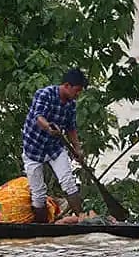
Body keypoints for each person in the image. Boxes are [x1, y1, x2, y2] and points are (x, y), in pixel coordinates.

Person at [21, 68, 88, 223]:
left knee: (68, 182)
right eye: (77, 90)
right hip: (33, 149)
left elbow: (71, 128)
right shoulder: (45, 94)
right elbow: (39, 117)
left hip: (54, 149)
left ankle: (82, 220)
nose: (78, 94)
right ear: (66, 86)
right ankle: (42, 227)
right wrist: (48, 128)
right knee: (38, 194)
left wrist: (77, 149)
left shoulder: (71, 104)